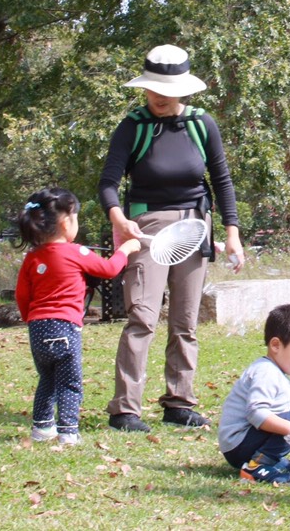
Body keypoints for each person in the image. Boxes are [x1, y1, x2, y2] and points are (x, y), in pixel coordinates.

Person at [98, 45, 245, 433]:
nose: (159, 96)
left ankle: (179, 402)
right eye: (153, 88)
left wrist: (231, 232)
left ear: (184, 88)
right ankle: (125, 409)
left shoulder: (202, 124)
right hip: (146, 227)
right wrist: (120, 218)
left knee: (185, 321)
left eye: (167, 88)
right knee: (142, 317)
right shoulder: (134, 126)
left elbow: (222, 180)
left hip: (195, 226)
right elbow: (109, 183)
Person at [14, 187, 136, 445]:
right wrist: (125, 249)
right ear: (66, 221)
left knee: (46, 378)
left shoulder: (32, 258)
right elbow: (109, 269)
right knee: (69, 382)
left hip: (37, 329)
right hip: (65, 327)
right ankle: (68, 431)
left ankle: (41, 427)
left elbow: (22, 296)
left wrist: (30, 319)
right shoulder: (76, 252)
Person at [217, 304, 290, 484]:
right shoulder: (265, 372)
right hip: (238, 445)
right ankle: (256, 466)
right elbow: (256, 413)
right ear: (276, 345)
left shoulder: (274, 371)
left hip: (246, 441)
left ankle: (276, 462)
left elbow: (282, 410)